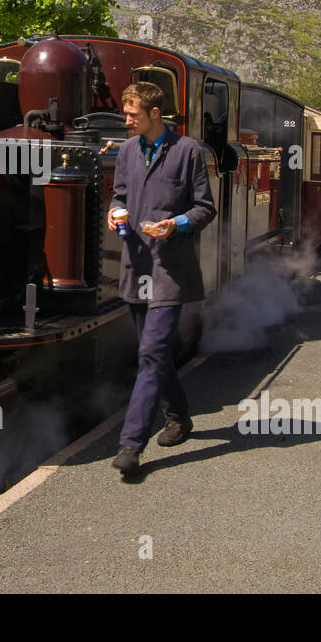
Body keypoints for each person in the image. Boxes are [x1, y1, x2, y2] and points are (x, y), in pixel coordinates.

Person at [105, 82, 216, 476]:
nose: (127, 119)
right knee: (157, 354)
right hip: (136, 265)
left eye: (133, 113)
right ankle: (179, 418)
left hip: (170, 269)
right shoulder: (127, 151)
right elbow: (119, 195)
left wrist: (177, 223)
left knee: (150, 354)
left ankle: (131, 444)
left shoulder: (188, 152)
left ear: (155, 114)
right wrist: (116, 213)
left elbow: (205, 208)